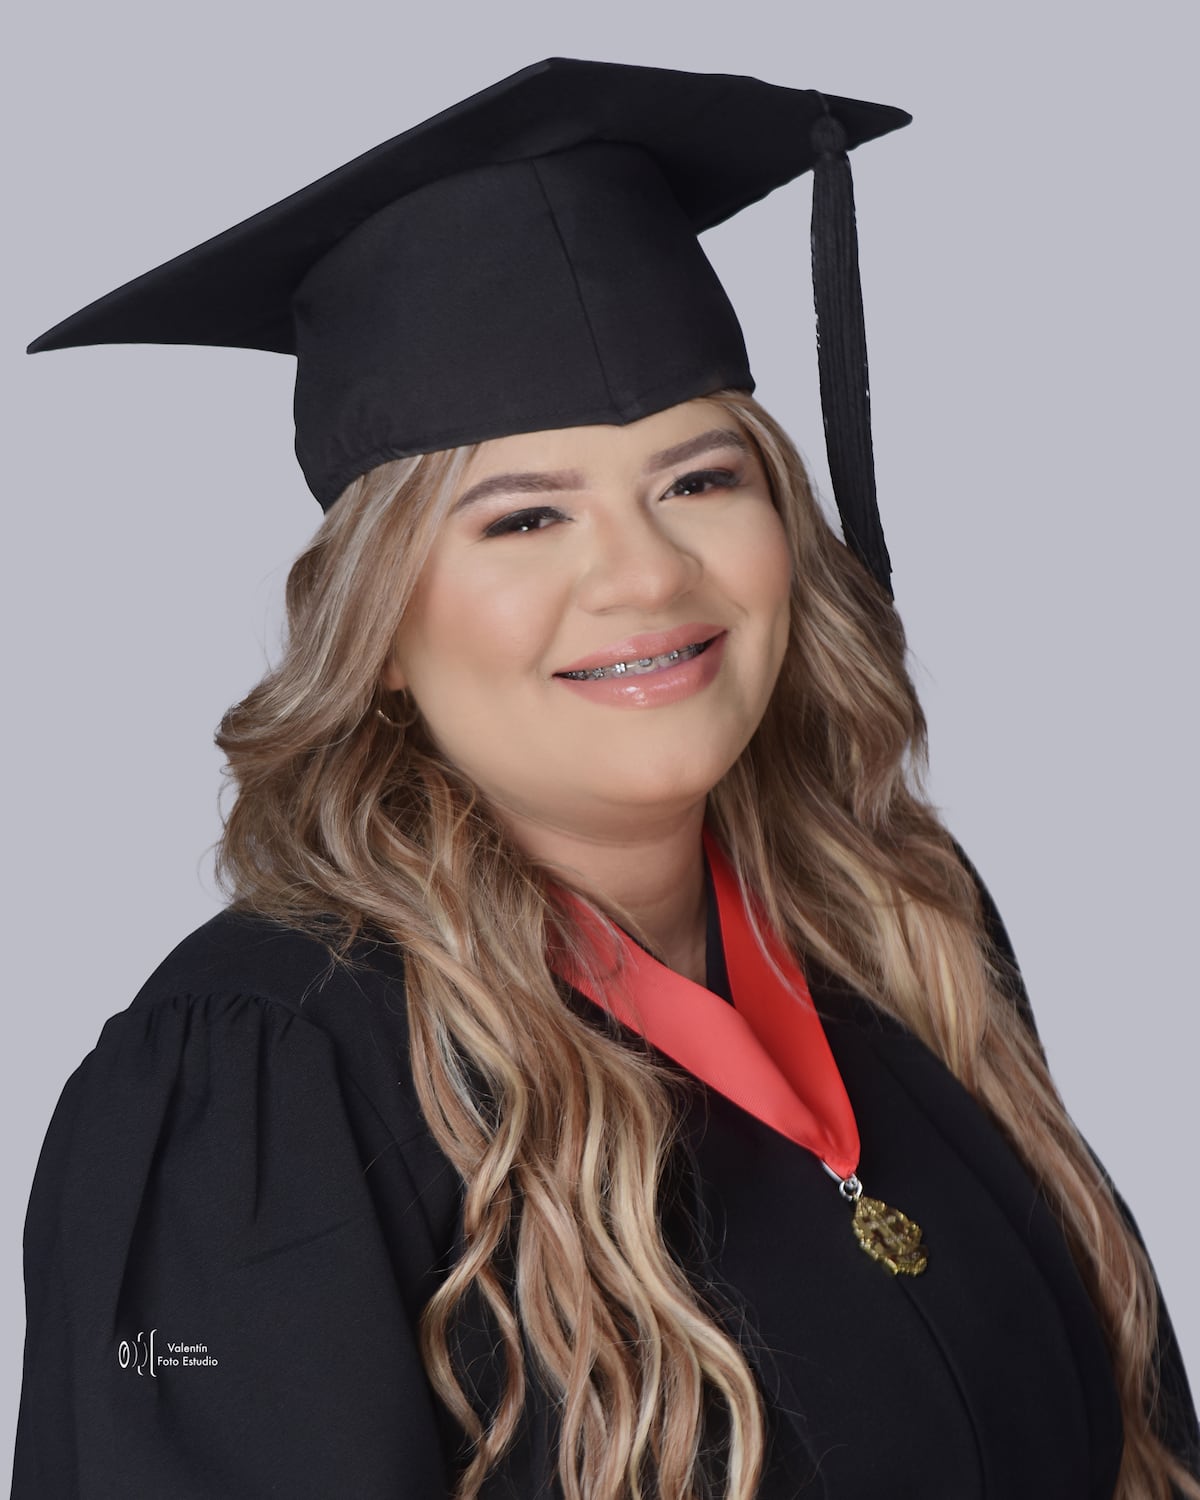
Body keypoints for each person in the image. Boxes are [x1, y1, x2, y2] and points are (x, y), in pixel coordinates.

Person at [9, 56, 1199, 1500]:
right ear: (381, 628)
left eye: (701, 481)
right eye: (524, 520)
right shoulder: (263, 1087)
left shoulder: (901, 930)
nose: (645, 574)